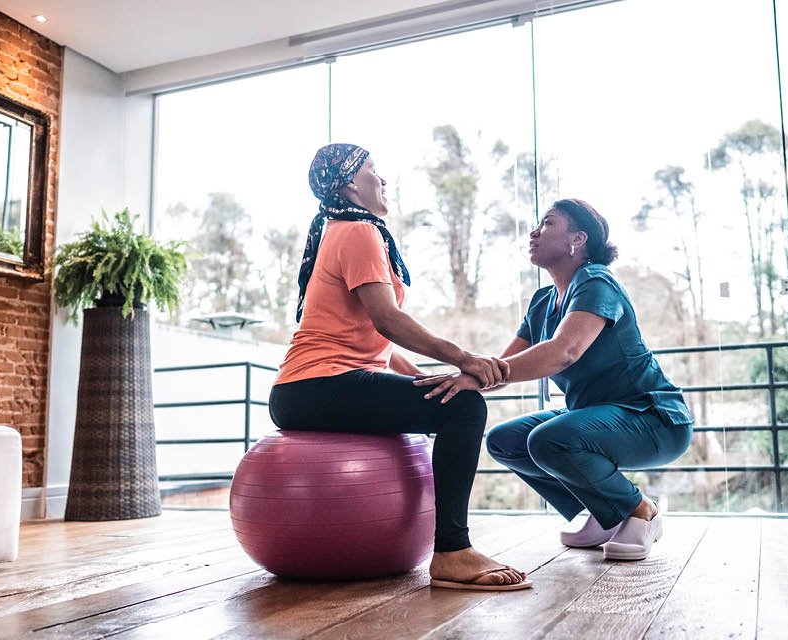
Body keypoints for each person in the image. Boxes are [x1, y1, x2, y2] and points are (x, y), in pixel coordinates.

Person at [269, 143, 531, 591]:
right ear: (351, 182)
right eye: (373, 170)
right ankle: (452, 551)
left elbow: (378, 341)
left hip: (306, 389)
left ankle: (451, 548)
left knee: (447, 398)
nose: (383, 179)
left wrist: (421, 379)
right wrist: (464, 361)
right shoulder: (356, 231)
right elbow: (387, 319)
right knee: (464, 407)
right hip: (318, 384)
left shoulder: (341, 229)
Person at [415, 198, 693, 561]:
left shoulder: (596, 281)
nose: (534, 232)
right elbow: (506, 364)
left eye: (547, 224)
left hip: (653, 419)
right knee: (505, 441)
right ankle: (606, 512)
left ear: (577, 239)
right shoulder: (542, 301)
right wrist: (467, 377)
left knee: (550, 440)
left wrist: (484, 373)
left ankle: (640, 510)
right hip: (598, 420)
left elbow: (564, 352)